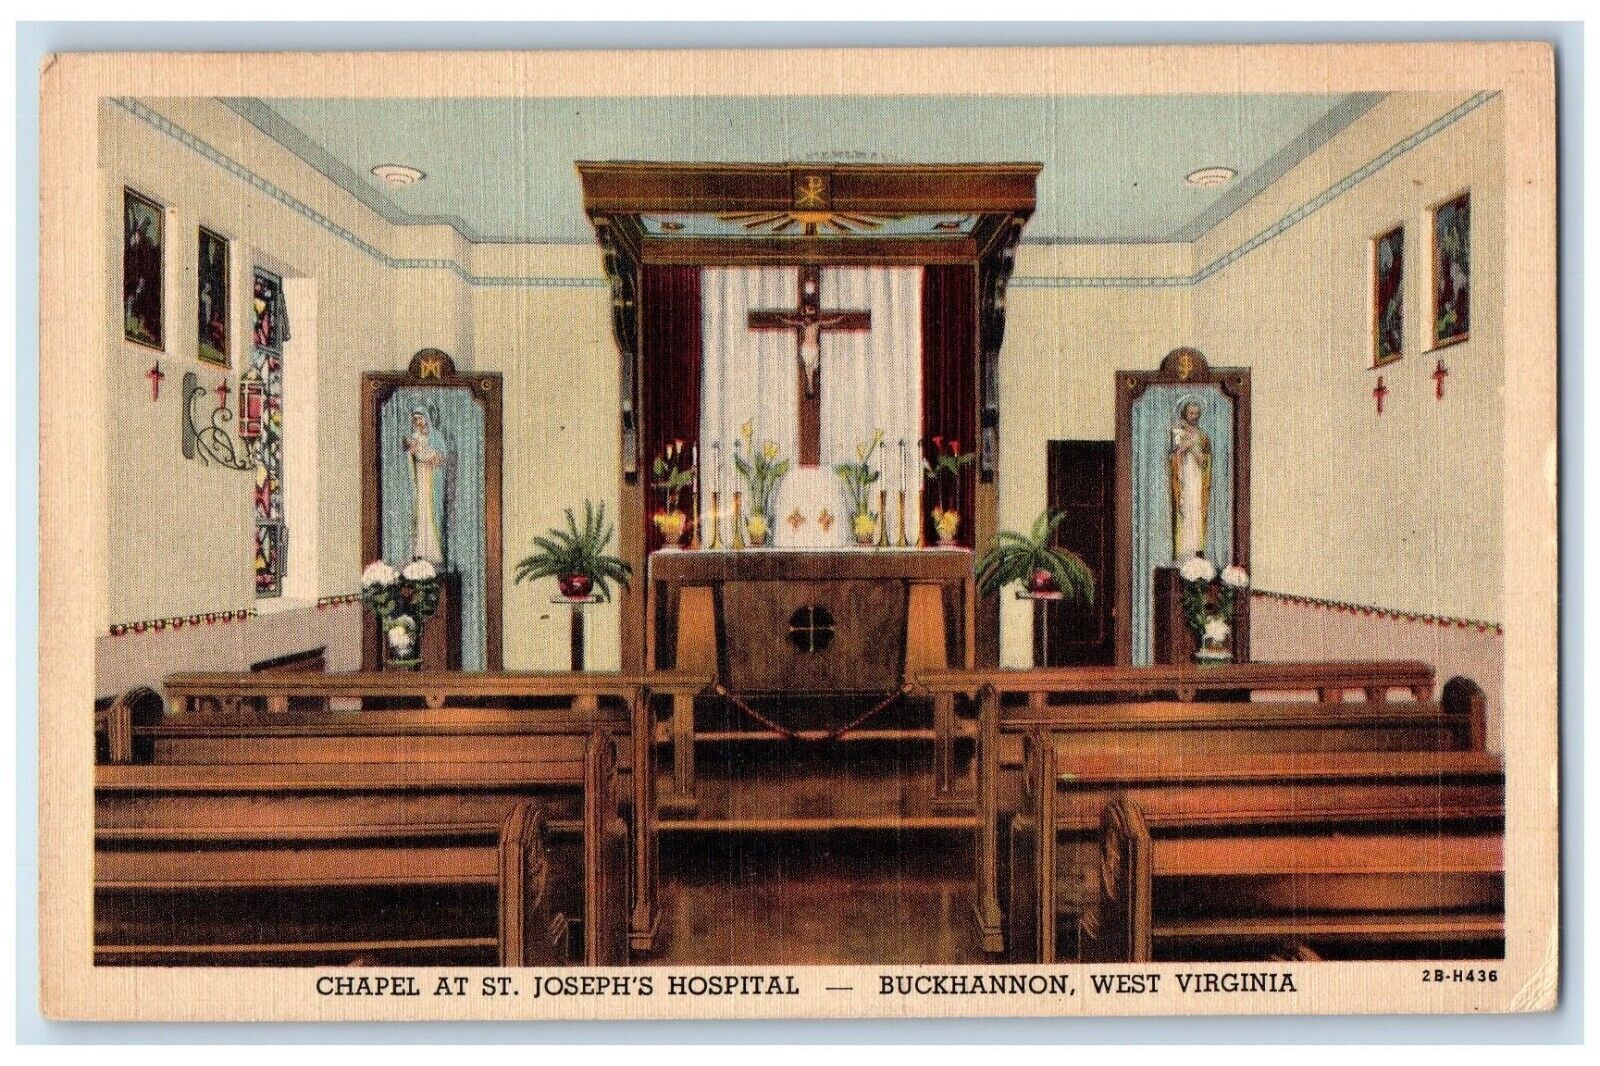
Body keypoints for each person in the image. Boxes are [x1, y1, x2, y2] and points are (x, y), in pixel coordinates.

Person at [1168, 399, 1212, 559]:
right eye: (1191, 413)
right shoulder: (1178, 431)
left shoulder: (1202, 435)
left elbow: (1205, 459)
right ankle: (1184, 551)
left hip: (1197, 477)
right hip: (1184, 474)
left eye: (1196, 413)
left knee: (1196, 508)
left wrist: (1193, 446)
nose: (1194, 416)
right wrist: (1187, 446)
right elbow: (1176, 453)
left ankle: (1196, 549)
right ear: (1185, 413)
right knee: (1185, 508)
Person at [405, 408, 445, 564]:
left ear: (427, 418)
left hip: (433, 480)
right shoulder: (413, 438)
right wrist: (417, 453)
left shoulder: (435, 436)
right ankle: (420, 551)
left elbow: (441, 457)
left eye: (420, 418)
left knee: (431, 511)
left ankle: (434, 552)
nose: (418, 422)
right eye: (415, 419)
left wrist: (434, 457)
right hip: (419, 479)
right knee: (421, 512)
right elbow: (414, 457)